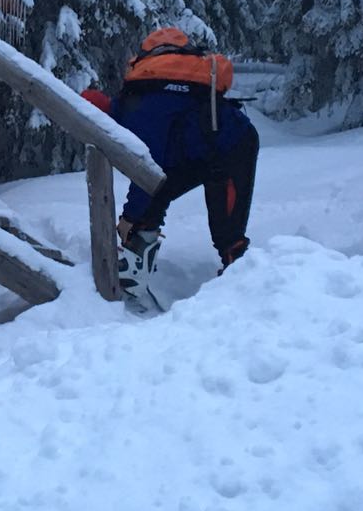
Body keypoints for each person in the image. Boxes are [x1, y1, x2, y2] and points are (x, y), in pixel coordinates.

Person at [81, 27, 259, 313]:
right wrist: (134, 217)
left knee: (227, 234)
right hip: (202, 152)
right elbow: (153, 174)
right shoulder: (142, 96)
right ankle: (134, 272)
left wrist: (129, 217)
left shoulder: (139, 107)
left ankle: (248, 293)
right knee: (157, 196)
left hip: (233, 147)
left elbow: (148, 168)